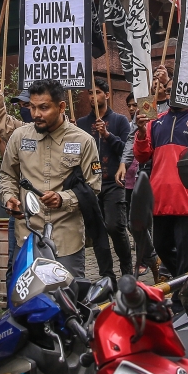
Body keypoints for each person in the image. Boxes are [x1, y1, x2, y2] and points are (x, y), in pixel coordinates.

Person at [0, 79, 101, 278]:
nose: (36, 114)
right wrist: (9, 198)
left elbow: (94, 187)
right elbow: (7, 176)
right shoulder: (19, 137)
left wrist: (63, 198)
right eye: (32, 107)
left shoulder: (83, 141)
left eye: (44, 108)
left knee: (67, 303)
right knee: (27, 305)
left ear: (61, 106)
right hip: (27, 239)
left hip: (66, 242)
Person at [134, 102, 188, 277]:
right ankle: (187, 282)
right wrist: (141, 133)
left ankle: (183, 294)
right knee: (161, 247)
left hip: (186, 196)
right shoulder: (154, 121)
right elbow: (141, 155)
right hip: (160, 197)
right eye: (168, 89)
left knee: (186, 255)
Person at [76, 78, 132, 283]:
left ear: (107, 95)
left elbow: (127, 150)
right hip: (91, 184)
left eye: (97, 92)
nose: (93, 97)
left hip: (112, 181)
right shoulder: (81, 123)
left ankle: (127, 269)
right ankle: (107, 275)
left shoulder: (119, 121)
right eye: (90, 93)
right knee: (97, 231)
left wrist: (107, 135)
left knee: (115, 226)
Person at [0, 59, 29, 283]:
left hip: (55, 216)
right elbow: (0, 119)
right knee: (15, 262)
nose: (31, 111)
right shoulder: (21, 131)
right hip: (21, 212)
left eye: (29, 105)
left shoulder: (72, 136)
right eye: (21, 106)